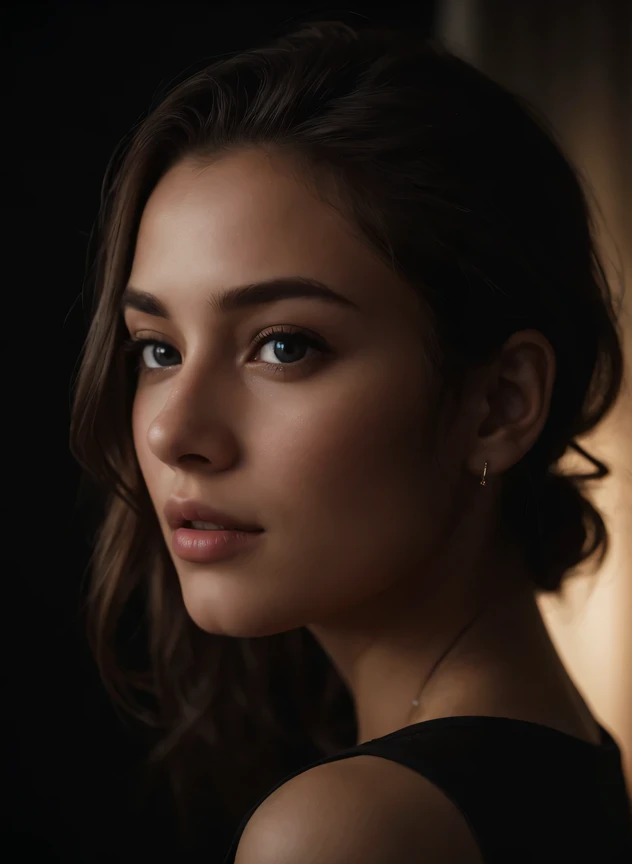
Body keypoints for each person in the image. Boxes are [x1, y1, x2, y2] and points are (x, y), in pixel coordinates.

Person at [69, 17, 632, 864]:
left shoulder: (347, 831)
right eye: (158, 349)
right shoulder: (569, 761)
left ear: (499, 404)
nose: (170, 430)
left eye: (284, 346)